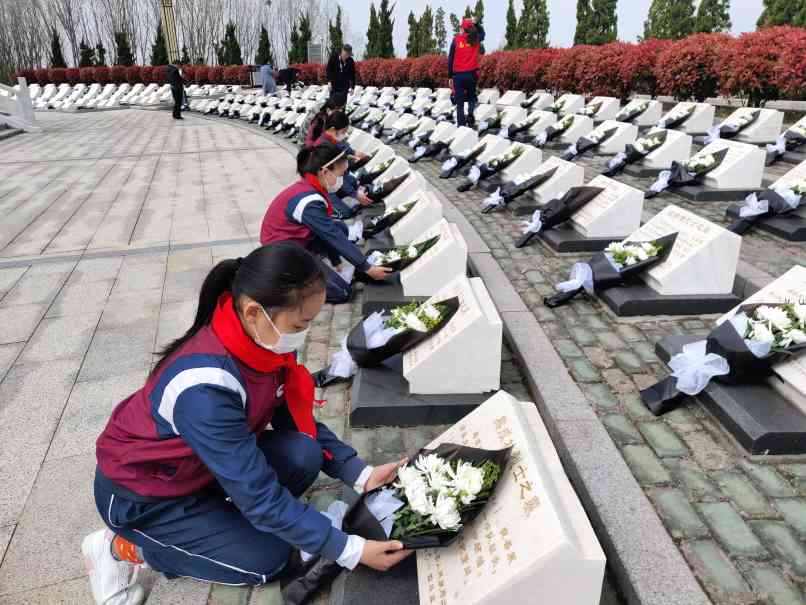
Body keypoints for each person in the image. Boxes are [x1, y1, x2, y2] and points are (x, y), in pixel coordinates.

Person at [82, 242, 410, 605]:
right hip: (147, 496)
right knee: (269, 558)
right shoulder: (205, 389)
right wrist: (349, 549)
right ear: (254, 311)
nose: (304, 332)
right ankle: (122, 547)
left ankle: (219, 523)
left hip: (202, 468)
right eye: (300, 323)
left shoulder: (259, 339)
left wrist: (359, 473)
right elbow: (259, 497)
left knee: (303, 453)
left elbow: (293, 415)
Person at [260, 143, 393, 304]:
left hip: (298, 243)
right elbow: (332, 236)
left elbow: (329, 231)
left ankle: (326, 270)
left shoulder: (312, 187)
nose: (342, 180)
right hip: (284, 254)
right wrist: (367, 267)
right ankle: (284, 285)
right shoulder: (308, 202)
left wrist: (337, 261)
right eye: (341, 174)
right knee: (342, 293)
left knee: (339, 226)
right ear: (324, 172)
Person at [316, 111, 373, 211]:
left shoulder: (332, 139)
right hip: (322, 185)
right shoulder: (323, 147)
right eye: (343, 132)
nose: (345, 135)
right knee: (346, 212)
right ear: (333, 129)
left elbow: (343, 147)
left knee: (354, 182)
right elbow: (336, 177)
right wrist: (355, 194)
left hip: (333, 177)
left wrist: (354, 152)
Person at [448, 18, 485, 128]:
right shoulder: (476, 38)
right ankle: (470, 115)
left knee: (459, 102)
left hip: (458, 76)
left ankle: (461, 125)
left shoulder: (456, 40)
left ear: (463, 29)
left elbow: (450, 59)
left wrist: (450, 76)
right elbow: (483, 33)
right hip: (471, 74)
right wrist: (476, 24)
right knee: (471, 97)